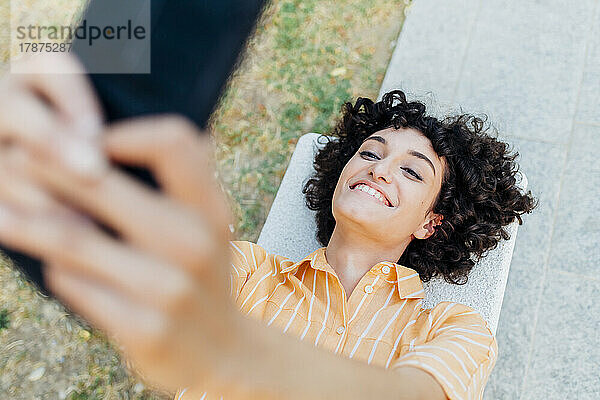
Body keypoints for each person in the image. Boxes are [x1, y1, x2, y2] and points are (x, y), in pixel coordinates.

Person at [0, 55, 535, 399]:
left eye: (412, 171)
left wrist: (232, 345)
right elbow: (150, 268)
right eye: (370, 152)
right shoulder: (250, 272)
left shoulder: (453, 329)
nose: (379, 167)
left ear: (431, 222)